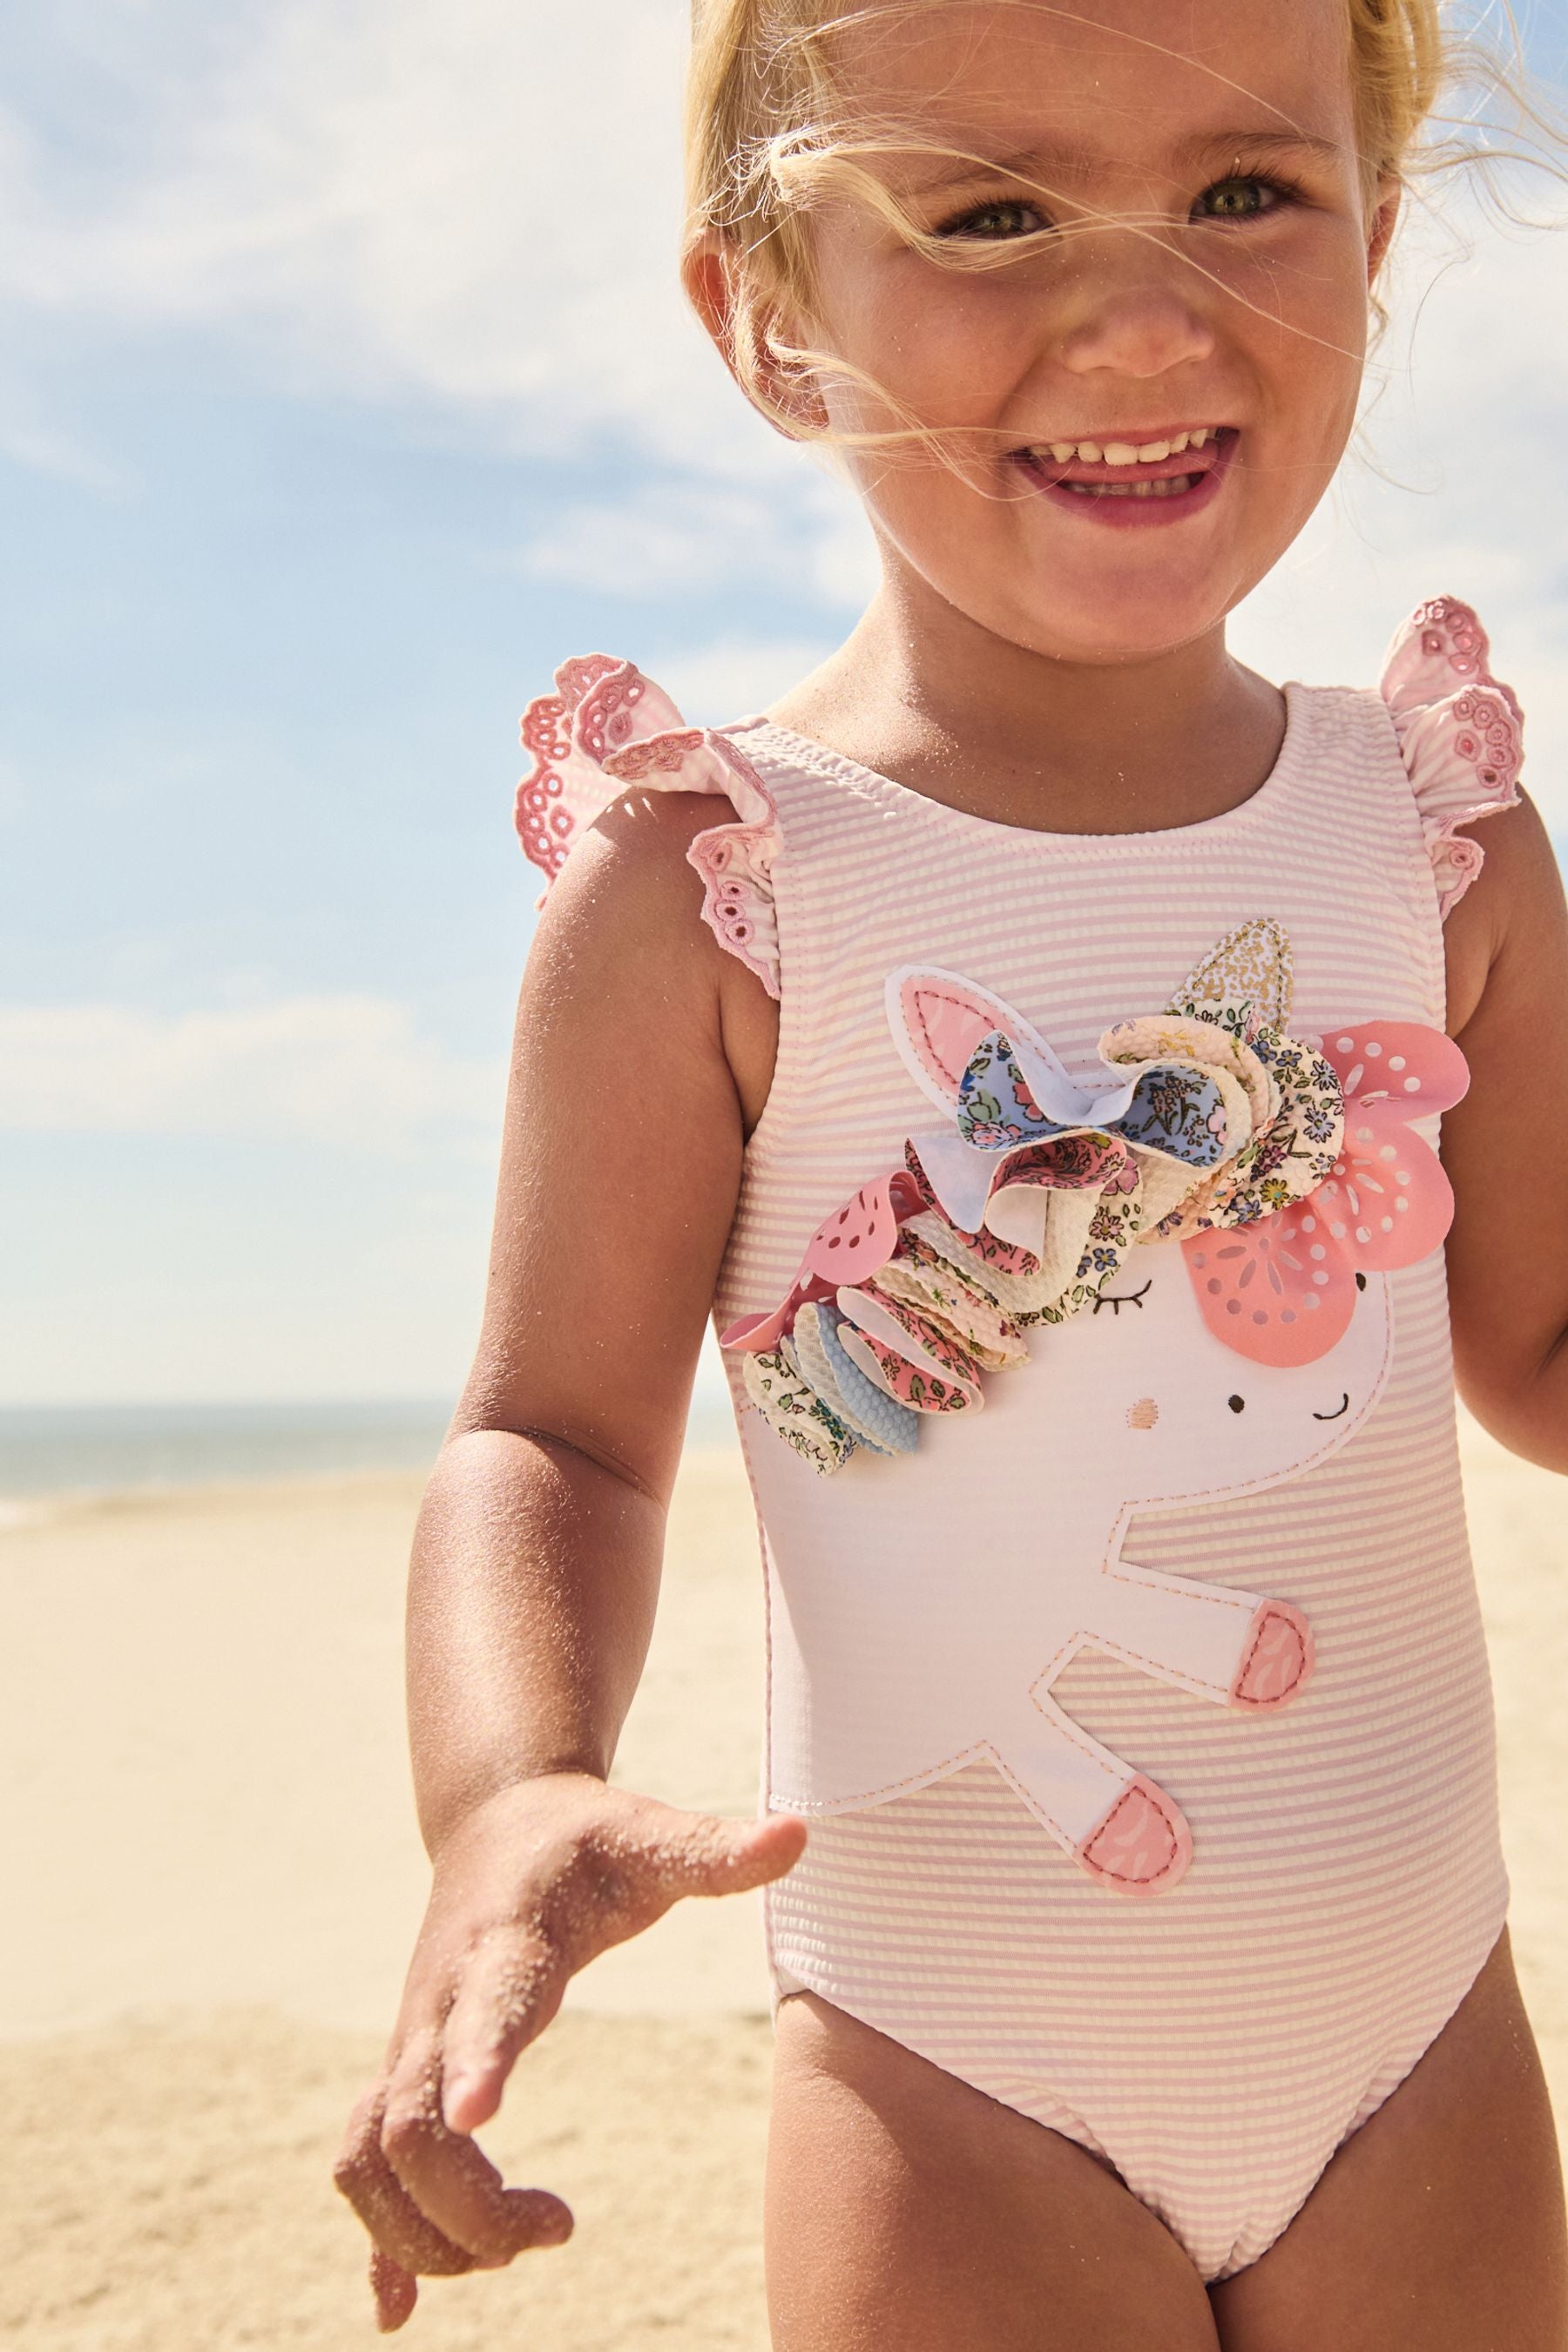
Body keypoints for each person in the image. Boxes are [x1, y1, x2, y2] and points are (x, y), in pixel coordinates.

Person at [335, 3, 1568, 2342]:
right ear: (768, 312)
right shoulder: (724, 877)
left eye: (1243, 194)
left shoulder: (1436, 834)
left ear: (1378, 234)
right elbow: (552, 1433)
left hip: (1427, 2034)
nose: (1138, 312)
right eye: (991, 212)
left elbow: (1537, 1340)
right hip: (955, 2067)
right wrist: (509, 1793)